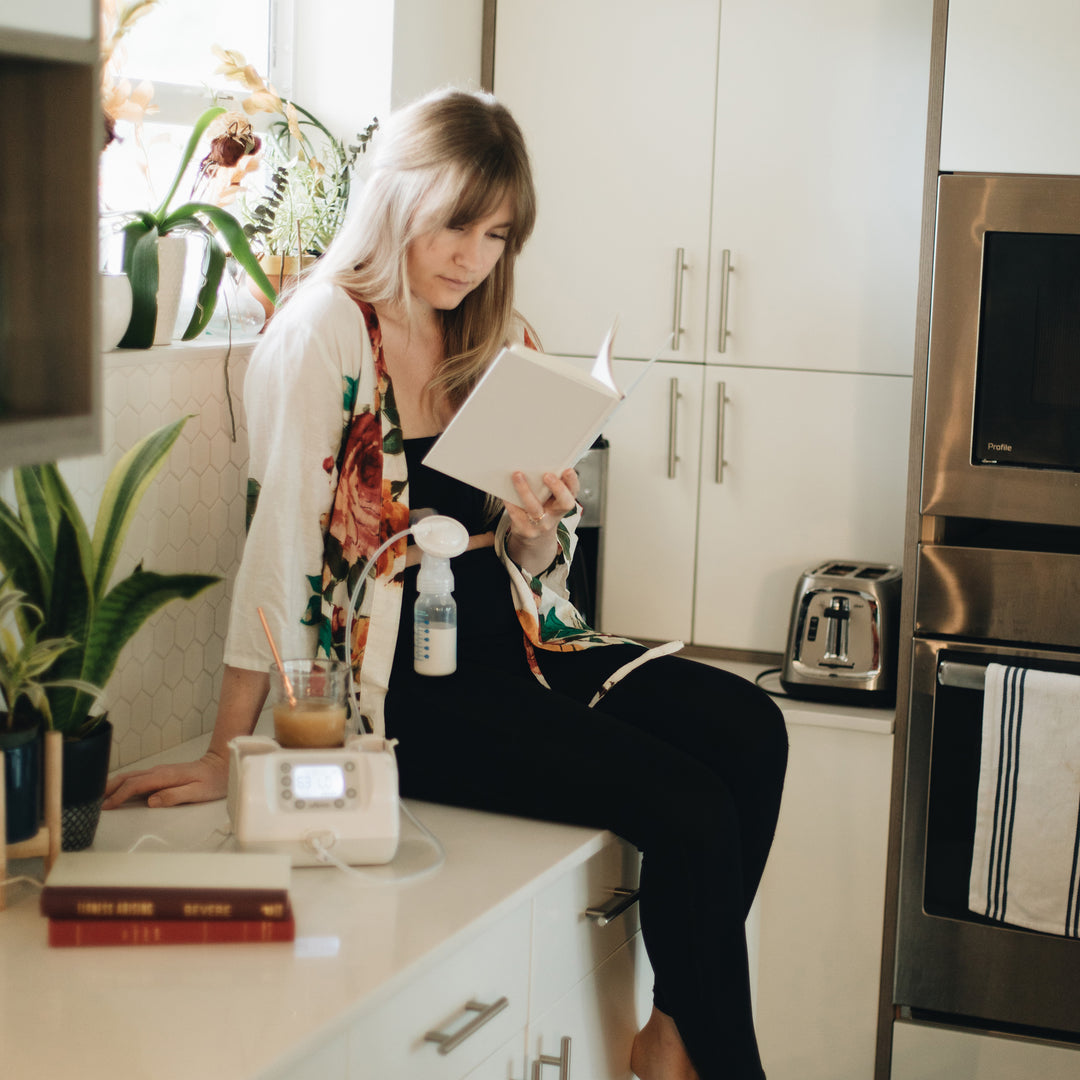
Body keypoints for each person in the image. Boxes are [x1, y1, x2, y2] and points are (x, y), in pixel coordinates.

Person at [103, 87, 788, 1080]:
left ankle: (674, 1033)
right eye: (458, 223)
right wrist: (230, 750)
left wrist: (534, 524)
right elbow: (286, 546)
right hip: (412, 694)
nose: (475, 256)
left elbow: (526, 564)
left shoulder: (493, 339)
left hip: (521, 643)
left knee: (751, 729)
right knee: (689, 806)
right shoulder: (328, 334)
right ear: (397, 196)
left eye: (498, 234)